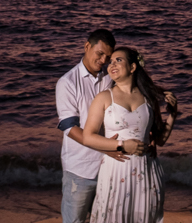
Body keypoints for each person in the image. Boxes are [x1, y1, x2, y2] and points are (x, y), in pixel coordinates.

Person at [81, 46, 178, 223]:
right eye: (110, 62)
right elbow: (88, 137)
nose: (112, 65)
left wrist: (172, 114)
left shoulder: (148, 98)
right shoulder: (103, 98)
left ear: (133, 67)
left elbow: (161, 140)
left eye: (118, 60)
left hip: (147, 170)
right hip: (116, 171)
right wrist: (122, 145)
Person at [56, 28, 122, 223]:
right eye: (99, 53)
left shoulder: (109, 78)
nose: (103, 60)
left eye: (108, 57)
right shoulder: (67, 82)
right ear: (87, 47)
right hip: (80, 169)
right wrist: (105, 146)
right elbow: (70, 128)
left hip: (108, 167)